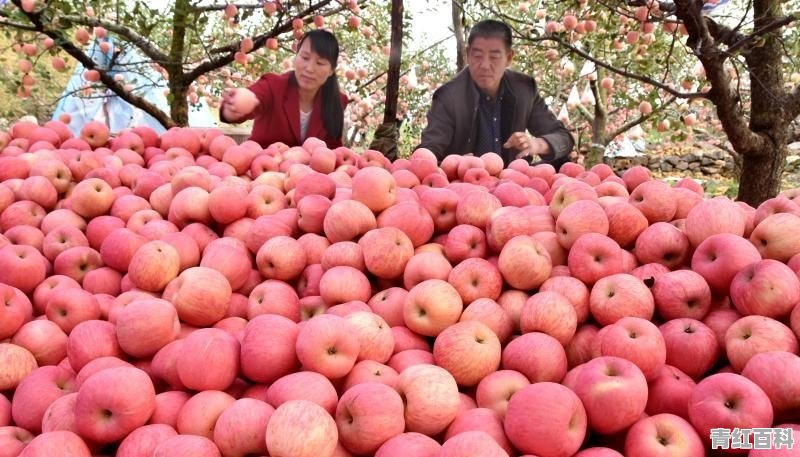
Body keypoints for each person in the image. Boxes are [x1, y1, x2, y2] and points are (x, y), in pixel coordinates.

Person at [418, 19, 574, 169]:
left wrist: (537, 144)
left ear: (509, 58)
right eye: (477, 56)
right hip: (465, 183)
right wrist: (454, 164)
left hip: (514, 180)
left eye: (494, 57)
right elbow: (429, 149)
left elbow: (563, 137)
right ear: (468, 54)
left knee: (564, 163)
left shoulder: (524, 88)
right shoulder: (449, 96)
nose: (485, 65)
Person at [220, 29, 348, 148]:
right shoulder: (273, 85)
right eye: (304, 57)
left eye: (320, 63)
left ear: (331, 70)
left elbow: (333, 150)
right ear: (296, 57)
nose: (309, 68)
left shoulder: (336, 102)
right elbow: (254, 97)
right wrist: (233, 109)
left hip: (309, 172)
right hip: (262, 168)